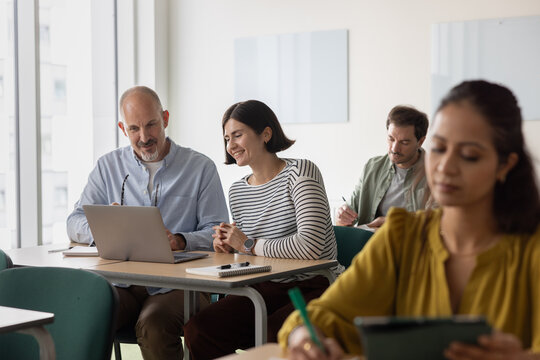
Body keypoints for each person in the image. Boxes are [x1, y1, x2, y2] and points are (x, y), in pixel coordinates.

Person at [279, 80, 540, 359]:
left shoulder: (530, 248)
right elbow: (323, 316)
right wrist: (306, 337)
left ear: (505, 165)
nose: (445, 166)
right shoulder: (402, 236)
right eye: (440, 149)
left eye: (469, 155)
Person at [66, 86, 229, 360]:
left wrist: (181, 240)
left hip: (182, 287)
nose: (144, 137)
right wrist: (105, 228)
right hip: (122, 283)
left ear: (165, 118)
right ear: (122, 128)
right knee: (87, 314)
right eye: (134, 129)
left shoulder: (200, 167)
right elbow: (74, 221)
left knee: (153, 324)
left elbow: (218, 230)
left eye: (151, 125)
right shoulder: (108, 166)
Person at [183, 100, 344, 359]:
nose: (230, 145)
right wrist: (228, 250)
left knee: (274, 335)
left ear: (266, 134)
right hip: (264, 286)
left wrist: (246, 244)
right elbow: (254, 255)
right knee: (199, 330)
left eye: (238, 135)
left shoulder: (301, 172)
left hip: (315, 284)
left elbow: (311, 247)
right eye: (227, 138)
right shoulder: (237, 191)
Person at [336, 105, 429, 230]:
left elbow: (442, 219)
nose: (394, 148)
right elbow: (349, 214)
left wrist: (394, 221)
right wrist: (342, 216)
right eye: (391, 139)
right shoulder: (372, 167)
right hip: (370, 245)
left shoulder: (436, 173)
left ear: (420, 141)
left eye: (404, 142)